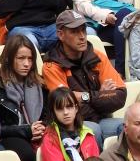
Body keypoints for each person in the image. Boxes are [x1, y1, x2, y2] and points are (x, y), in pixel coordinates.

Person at [42, 9, 126, 147]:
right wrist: (101, 95)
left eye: (83, 30)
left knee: (128, 126)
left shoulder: (97, 56)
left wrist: (84, 98)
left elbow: (120, 96)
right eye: (74, 32)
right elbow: (66, 107)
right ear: (61, 35)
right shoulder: (51, 66)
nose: (82, 36)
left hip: (100, 119)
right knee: (93, 130)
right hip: (71, 126)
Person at [0, 34, 46, 161]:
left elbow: (49, 115)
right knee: (25, 153)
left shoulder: (40, 83)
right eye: (21, 58)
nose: (27, 64)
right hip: (9, 135)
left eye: (30, 59)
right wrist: (27, 130)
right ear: (9, 58)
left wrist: (42, 127)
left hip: (39, 132)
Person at [40, 87, 101, 161]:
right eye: (60, 109)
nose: (65, 112)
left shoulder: (88, 134)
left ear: (76, 108)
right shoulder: (49, 138)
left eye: (69, 107)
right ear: (53, 112)